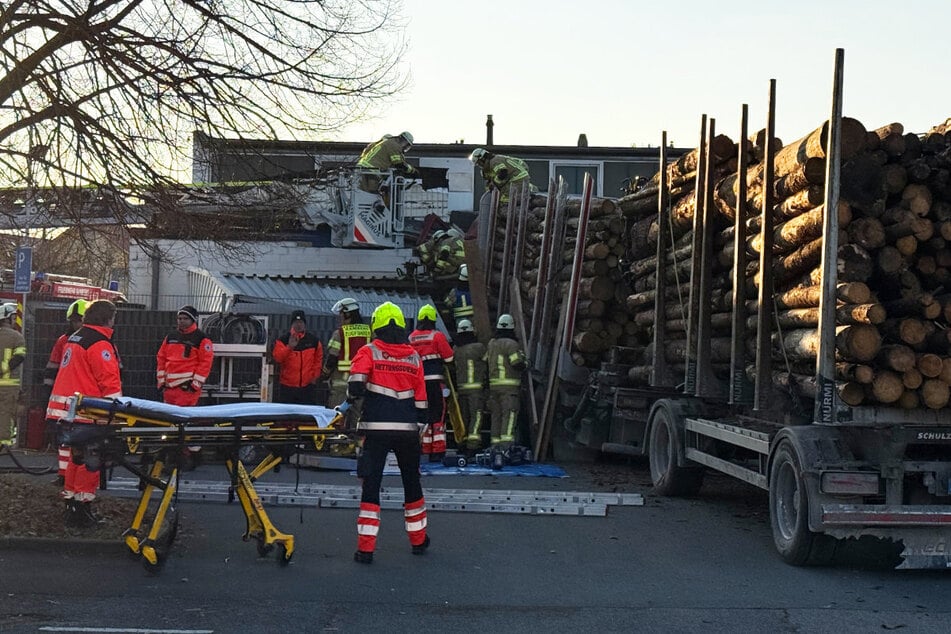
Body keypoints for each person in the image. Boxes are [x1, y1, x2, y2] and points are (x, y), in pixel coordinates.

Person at [348, 301, 429, 564]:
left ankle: (366, 549)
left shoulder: (369, 351)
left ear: (377, 326)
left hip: (376, 429)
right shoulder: (414, 356)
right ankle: (418, 541)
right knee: (412, 484)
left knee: (371, 486)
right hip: (407, 430)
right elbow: (422, 402)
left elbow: (356, 386)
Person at [46, 299, 122, 528]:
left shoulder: (74, 338)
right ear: (107, 318)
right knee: (91, 460)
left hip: (68, 410)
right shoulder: (99, 343)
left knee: (76, 459)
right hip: (87, 412)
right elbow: (109, 382)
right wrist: (116, 414)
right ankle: (83, 509)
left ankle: (72, 506)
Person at [45, 299, 87, 483]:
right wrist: (47, 390)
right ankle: (64, 476)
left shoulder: (98, 342)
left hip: (85, 399)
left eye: (80, 320)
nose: (77, 324)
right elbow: (53, 365)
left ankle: (76, 477)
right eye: (75, 320)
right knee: (64, 439)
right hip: (66, 399)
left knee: (82, 441)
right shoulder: (64, 340)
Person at [408, 304, 454, 461]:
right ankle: (438, 451)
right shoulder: (437, 336)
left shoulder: (411, 337)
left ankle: (425, 448)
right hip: (435, 382)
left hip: (417, 383)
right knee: (437, 415)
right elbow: (449, 358)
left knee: (423, 415)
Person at [321, 298, 371, 424]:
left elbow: (332, 358)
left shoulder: (340, 333)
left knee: (336, 418)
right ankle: (355, 443)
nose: (340, 318)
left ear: (347, 313)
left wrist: (324, 374)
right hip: (362, 385)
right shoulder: (369, 332)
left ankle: (337, 443)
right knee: (357, 420)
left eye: (341, 314)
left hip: (341, 386)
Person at [156, 305, 214, 407]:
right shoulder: (170, 336)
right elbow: (161, 358)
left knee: (181, 417)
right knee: (170, 417)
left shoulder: (201, 338)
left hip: (187, 387)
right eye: (179, 318)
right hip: (169, 387)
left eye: (185, 318)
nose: (181, 321)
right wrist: (161, 381)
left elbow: (205, 363)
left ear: (193, 320)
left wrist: (195, 384)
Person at [484, 314, 527, 451]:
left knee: (496, 416)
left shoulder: (491, 344)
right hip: (509, 389)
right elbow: (517, 363)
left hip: (493, 388)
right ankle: (506, 446)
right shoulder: (511, 344)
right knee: (509, 415)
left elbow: (486, 361)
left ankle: (495, 446)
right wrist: (526, 362)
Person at [271, 309, 323, 404]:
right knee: (287, 416)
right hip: (287, 387)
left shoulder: (313, 341)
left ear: (305, 324)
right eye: (296, 322)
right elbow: (277, 358)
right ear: (292, 324)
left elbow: (318, 360)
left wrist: (314, 377)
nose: (299, 325)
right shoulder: (283, 340)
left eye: (301, 322)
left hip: (307, 387)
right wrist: (290, 347)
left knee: (306, 416)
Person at [452, 319, 488, 454]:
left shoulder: (456, 349)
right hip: (476, 389)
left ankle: (462, 442)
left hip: (461, 390)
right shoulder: (479, 348)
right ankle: (473, 445)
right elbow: (488, 363)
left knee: (464, 417)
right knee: (476, 416)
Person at [469, 147, 536, 204]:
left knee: (506, 200)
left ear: (482, 158)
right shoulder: (499, 158)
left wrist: (495, 183)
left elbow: (503, 173)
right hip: (521, 179)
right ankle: (528, 197)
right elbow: (523, 164)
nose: (480, 166)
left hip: (517, 180)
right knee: (507, 196)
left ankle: (509, 207)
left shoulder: (494, 162)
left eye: (479, 163)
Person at [0, 303, 26, 447]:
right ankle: (4, 447)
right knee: (6, 417)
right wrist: (4, 369)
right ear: (8, 318)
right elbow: (20, 357)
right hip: (8, 385)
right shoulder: (17, 337)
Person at [443, 264, 474, 330]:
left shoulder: (454, 292)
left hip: (459, 320)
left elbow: (447, 303)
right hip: (474, 319)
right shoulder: (475, 291)